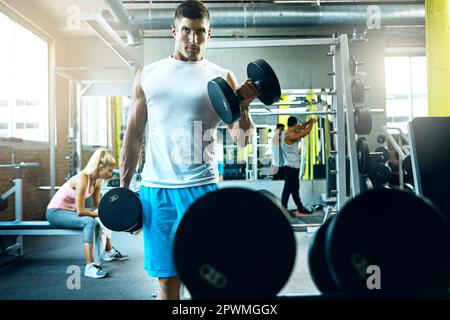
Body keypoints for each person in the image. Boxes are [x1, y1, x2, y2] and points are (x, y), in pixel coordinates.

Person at [119, 0, 258, 300]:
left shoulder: (222, 77)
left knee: (206, 278)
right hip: (157, 192)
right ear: (173, 31)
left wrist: (243, 107)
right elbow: (133, 135)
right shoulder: (148, 75)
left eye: (200, 32)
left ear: (210, 34)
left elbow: (243, 140)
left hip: (202, 189)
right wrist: (124, 188)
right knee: (167, 282)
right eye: (186, 31)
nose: (193, 40)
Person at [46, 147, 128, 279]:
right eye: (109, 170)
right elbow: (80, 211)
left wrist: (112, 211)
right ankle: (90, 266)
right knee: (89, 221)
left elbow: (98, 206)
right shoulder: (83, 178)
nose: (111, 174)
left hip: (70, 212)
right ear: (101, 167)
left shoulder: (97, 181)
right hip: (55, 212)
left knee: (101, 217)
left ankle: (108, 251)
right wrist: (102, 214)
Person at [281, 116, 317, 217]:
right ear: (294, 124)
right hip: (291, 168)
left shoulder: (286, 132)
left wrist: (307, 122)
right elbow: (304, 133)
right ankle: (283, 209)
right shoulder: (289, 136)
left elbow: (300, 127)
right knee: (288, 189)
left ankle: (300, 207)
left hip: (293, 168)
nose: (298, 126)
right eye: (297, 124)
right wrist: (311, 124)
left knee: (294, 189)